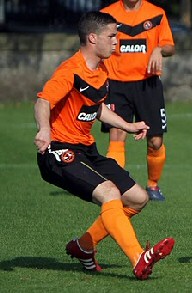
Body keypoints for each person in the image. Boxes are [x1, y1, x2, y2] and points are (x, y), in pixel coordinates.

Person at [34, 11, 174, 280]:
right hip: (58, 150)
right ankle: (138, 258)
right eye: (111, 36)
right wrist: (43, 129)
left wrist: (127, 125)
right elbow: (43, 101)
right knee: (110, 193)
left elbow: (96, 107)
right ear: (92, 38)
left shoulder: (100, 70)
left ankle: (84, 246)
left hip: (86, 150)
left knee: (138, 198)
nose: (116, 42)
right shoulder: (70, 71)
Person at [100, 0, 176, 201]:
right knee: (117, 136)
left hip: (147, 84)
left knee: (156, 141)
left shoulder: (156, 13)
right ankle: (114, 188)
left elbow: (169, 46)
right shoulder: (107, 14)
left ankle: (153, 185)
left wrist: (159, 50)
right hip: (116, 83)